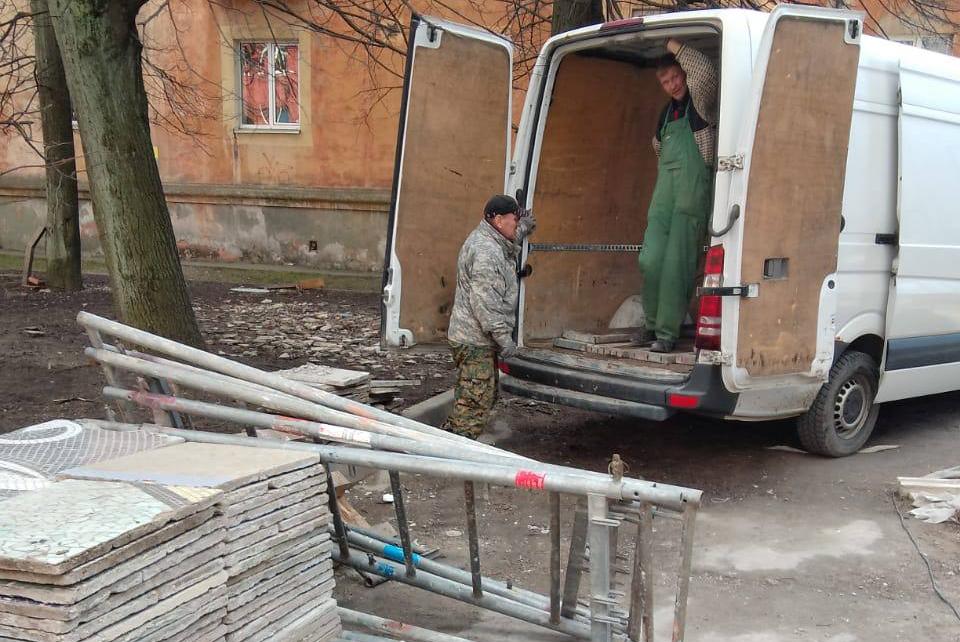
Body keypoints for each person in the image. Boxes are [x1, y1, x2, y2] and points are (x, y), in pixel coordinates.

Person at [638, 38, 718, 353]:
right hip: (664, 197)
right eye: (665, 81)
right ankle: (651, 324)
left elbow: (705, 71)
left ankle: (666, 334)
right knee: (650, 259)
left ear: (684, 74)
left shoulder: (701, 102)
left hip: (690, 196)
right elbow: (658, 148)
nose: (672, 85)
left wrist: (672, 44)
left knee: (677, 265)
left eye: (675, 77)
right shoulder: (665, 114)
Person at [444, 195, 536, 438]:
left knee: (477, 397)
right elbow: (485, 302)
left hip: (475, 339)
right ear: (498, 220)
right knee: (474, 405)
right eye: (514, 219)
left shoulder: (490, 239)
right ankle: (456, 449)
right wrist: (504, 339)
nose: (517, 224)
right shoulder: (486, 251)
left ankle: (449, 438)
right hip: (474, 341)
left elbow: (508, 243)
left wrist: (523, 228)